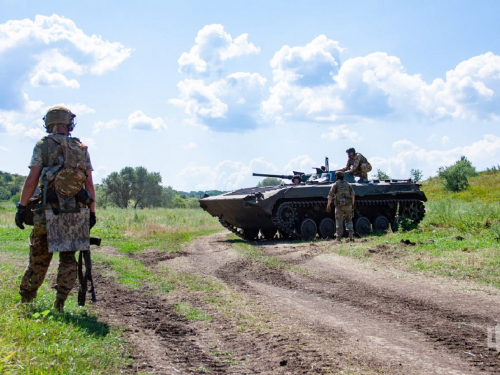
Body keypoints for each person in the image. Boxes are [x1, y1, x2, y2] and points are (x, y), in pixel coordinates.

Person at [15, 106, 96, 312]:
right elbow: (89, 184)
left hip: (47, 210)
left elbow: (33, 178)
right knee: (68, 259)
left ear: (48, 123)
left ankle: (27, 301)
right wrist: (92, 212)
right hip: (75, 213)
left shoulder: (44, 145)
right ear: (69, 123)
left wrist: (22, 206)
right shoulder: (81, 147)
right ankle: (59, 303)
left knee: (39, 257)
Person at [326, 171, 355, 242]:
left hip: (339, 206)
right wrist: (352, 205)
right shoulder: (348, 184)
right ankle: (351, 237)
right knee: (349, 220)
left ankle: (338, 238)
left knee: (339, 221)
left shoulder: (335, 185)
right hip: (348, 205)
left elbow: (330, 196)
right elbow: (353, 195)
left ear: (336, 177)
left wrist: (328, 205)